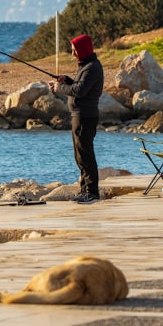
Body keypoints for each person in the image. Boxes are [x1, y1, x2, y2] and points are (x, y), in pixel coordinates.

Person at [52, 34, 104, 204]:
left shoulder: (92, 67)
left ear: (82, 50)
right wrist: (66, 80)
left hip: (84, 117)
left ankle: (92, 193)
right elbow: (78, 85)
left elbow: (80, 91)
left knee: (85, 155)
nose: (73, 53)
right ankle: (85, 191)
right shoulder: (86, 66)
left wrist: (60, 87)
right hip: (80, 116)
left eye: (75, 50)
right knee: (79, 156)